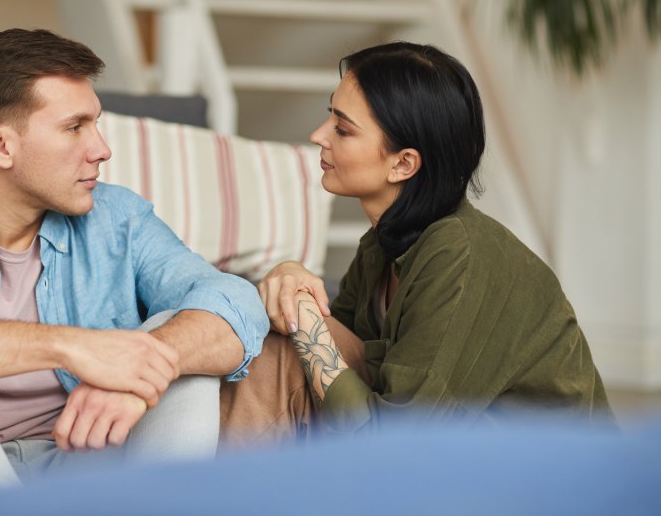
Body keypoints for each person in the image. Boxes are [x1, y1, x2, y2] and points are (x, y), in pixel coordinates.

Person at [0, 28, 268, 514]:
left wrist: (141, 370)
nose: (101, 149)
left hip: (84, 466)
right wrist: (71, 346)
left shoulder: (119, 219)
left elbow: (231, 300)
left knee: (174, 343)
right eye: (75, 127)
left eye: (95, 125)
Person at [223, 41, 612, 437]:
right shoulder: (382, 244)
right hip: (447, 463)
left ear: (404, 163)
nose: (318, 135)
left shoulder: (459, 256)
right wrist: (292, 280)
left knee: (285, 346)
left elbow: (394, 442)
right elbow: (329, 350)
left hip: (538, 484)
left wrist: (303, 321)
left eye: (342, 128)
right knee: (277, 344)